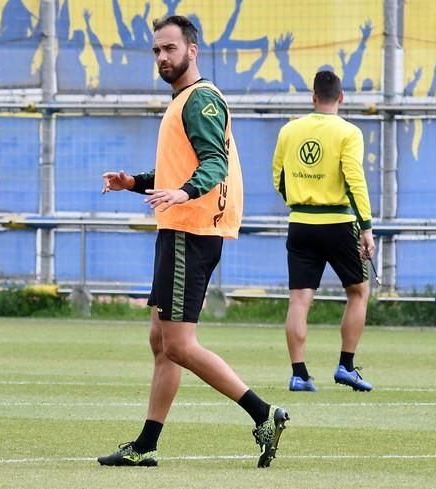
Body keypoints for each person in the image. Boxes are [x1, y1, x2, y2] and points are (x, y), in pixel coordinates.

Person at [98, 15, 289, 469]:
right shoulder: (184, 99)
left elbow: (213, 165)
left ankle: (264, 414)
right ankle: (146, 445)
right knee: (161, 341)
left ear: (192, 50)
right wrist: (135, 182)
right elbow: (175, 172)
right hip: (179, 228)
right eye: (157, 51)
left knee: (179, 345)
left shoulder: (200, 99)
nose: (163, 57)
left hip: (191, 231)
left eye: (170, 49)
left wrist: (181, 193)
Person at [272, 70, 375, 392]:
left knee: (300, 300)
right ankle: (346, 366)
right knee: (358, 292)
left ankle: (299, 374)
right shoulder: (349, 132)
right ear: (341, 97)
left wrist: (298, 201)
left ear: (313, 97)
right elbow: (354, 179)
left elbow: (279, 176)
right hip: (339, 223)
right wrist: (367, 227)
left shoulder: (290, 130)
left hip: (300, 223)